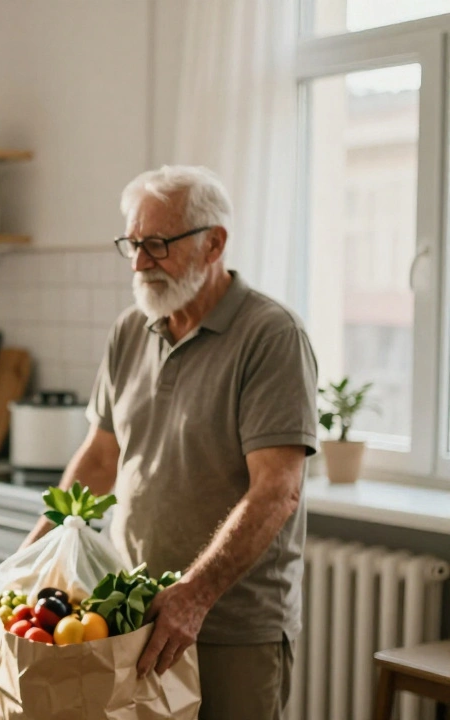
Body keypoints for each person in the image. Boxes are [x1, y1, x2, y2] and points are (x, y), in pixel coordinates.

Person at [18, 165, 317, 720]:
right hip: (131, 614)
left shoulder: (272, 336)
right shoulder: (132, 328)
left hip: (232, 624)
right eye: (132, 244)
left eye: (156, 244)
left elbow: (277, 490)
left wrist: (195, 596)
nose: (138, 263)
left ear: (214, 244)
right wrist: (35, 552)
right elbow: (100, 458)